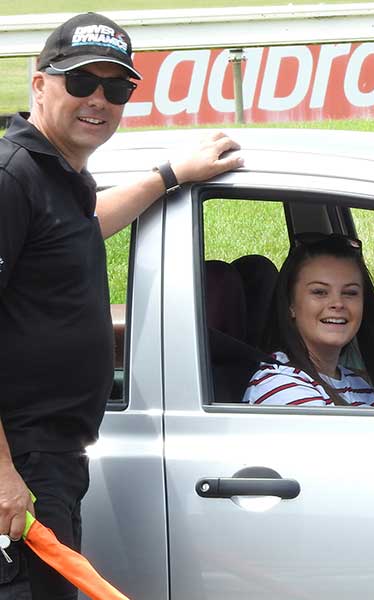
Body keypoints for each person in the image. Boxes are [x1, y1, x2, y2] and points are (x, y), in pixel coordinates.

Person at [0, 12, 243, 599]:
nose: (98, 100)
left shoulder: (56, 174)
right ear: (40, 84)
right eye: (82, 81)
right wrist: (2, 474)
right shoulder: (12, 176)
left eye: (116, 89)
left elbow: (80, 228)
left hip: (51, 458)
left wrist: (169, 176)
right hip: (21, 460)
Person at [242, 234, 374, 408]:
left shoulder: (359, 385)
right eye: (319, 292)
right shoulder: (280, 386)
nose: (338, 304)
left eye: (350, 293)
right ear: (290, 304)